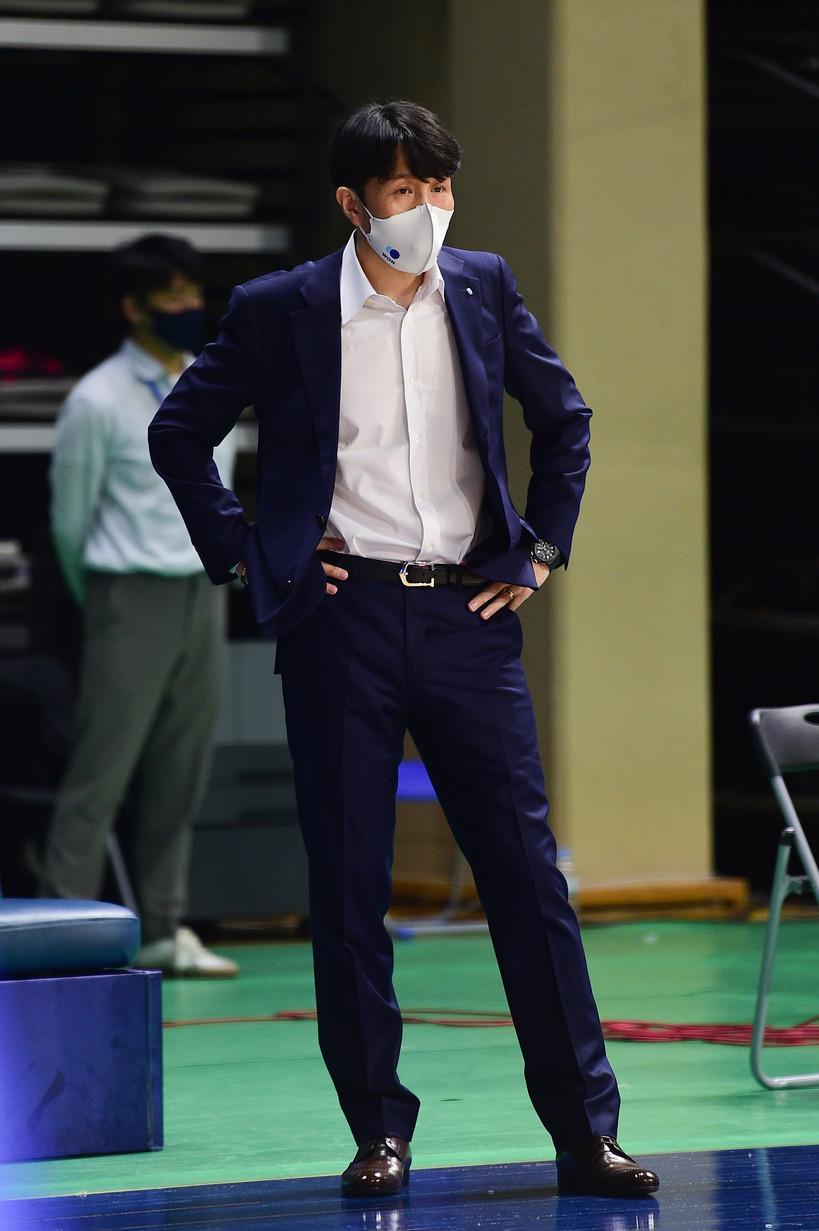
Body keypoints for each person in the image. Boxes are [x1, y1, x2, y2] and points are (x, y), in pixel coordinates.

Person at [149, 102, 659, 1194]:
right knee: (349, 889)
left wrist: (541, 551)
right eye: (403, 191)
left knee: (527, 877)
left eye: (439, 188)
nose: (428, 209)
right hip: (342, 620)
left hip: (470, 616)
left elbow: (564, 417)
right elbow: (178, 432)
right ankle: (379, 1129)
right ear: (353, 204)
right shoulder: (282, 308)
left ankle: (586, 1131)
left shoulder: (482, 285)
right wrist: (250, 548)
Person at [41, 233, 238, 978]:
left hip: (202, 591)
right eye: (172, 295)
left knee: (180, 772)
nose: (189, 306)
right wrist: (104, 600)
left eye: (195, 292)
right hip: (127, 593)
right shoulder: (97, 399)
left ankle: (163, 927)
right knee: (102, 773)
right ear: (134, 307)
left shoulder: (211, 381)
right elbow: (69, 521)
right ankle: (60, 930)